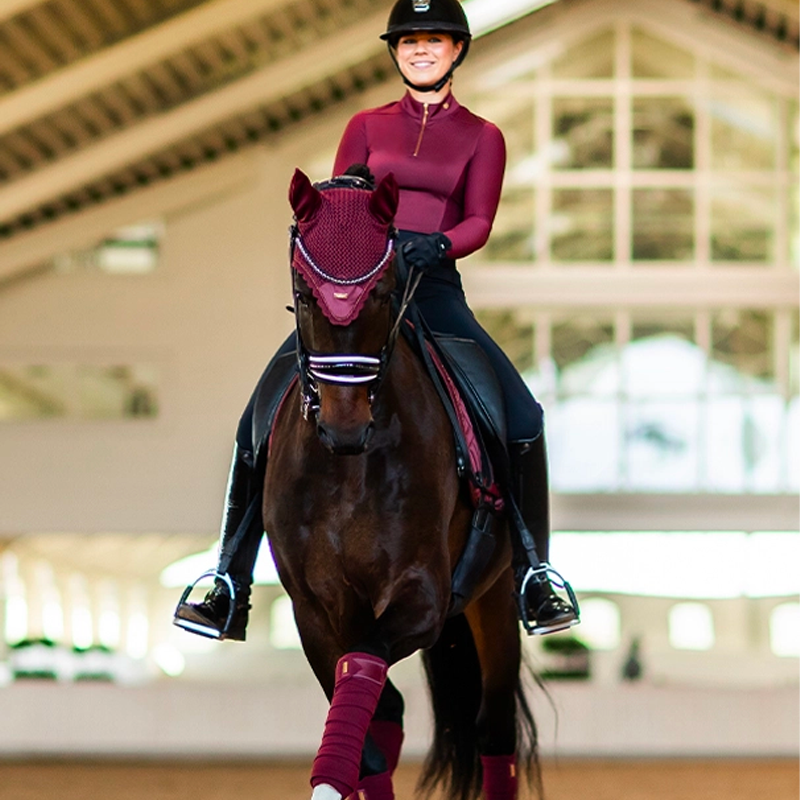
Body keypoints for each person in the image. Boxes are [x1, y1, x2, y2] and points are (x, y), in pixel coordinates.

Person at [173, 0, 579, 642]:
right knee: (258, 418)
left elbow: (478, 220)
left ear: (458, 51)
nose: (422, 50)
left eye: (436, 41)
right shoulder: (365, 124)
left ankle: (535, 572)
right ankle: (227, 578)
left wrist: (437, 245)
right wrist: (367, 253)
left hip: (435, 293)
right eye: (411, 41)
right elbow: (340, 205)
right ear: (396, 52)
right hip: (360, 293)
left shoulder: (483, 136)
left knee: (523, 417)